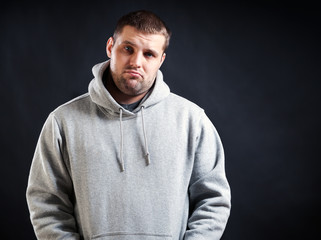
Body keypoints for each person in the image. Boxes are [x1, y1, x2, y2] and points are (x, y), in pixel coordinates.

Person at [26, 10, 231, 240]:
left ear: (161, 60)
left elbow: (213, 200)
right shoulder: (63, 121)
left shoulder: (192, 120)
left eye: (149, 54)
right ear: (110, 47)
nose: (136, 62)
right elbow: (46, 203)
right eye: (128, 49)